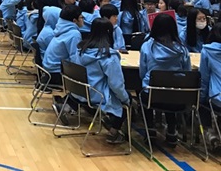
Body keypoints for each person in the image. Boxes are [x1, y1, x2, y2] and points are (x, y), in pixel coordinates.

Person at [74, 18, 130, 144]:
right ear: (110, 33)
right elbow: (116, 84)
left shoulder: (81, 49)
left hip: (81, 91)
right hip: (98, 94)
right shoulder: (109, 56)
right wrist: (125, 98)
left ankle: (110, 122)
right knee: (128, 101)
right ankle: (113, 131)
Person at [139, 13, 191, 145]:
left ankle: (150, 128)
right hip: (177, 98)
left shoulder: (147, 46)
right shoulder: (182, 49)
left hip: (153, 95)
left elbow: (142, 72)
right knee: (171, 90)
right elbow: (188, 73)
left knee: (145, 91)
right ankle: (172, 130)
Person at [42, 5, 84, 84]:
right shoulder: (74, 34)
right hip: (57, 73)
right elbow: (74, 58)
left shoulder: (60, 28)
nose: (83, 20)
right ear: (75, 20)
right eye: (81, 17)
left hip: (48, 70)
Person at [199, 23, 221, 150]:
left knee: (203, 103)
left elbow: (204, 78)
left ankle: (211, 133)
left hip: (217, 97)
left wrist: (201, 97)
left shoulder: (208, 50)